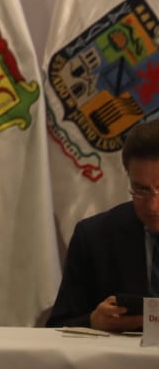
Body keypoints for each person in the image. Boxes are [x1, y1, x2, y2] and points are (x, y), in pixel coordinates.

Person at [47, 118, 159, 331]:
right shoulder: (94, 236)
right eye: (141, 190)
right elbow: (58, 326)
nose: (153, 206)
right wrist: (92, 321)